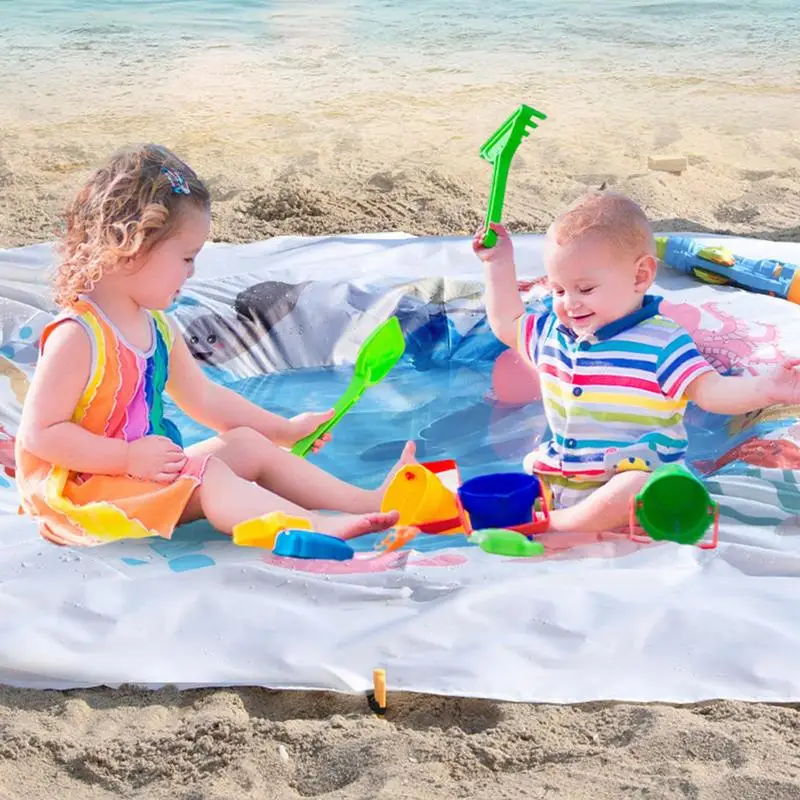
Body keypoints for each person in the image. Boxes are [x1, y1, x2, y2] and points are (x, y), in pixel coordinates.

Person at [16, 144, 414, 547]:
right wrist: (126, 458)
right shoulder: (79, 335)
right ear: (133, 246)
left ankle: (364, 501)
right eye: (187, 257)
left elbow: (204, 397)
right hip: (86, 499)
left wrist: (285, 430)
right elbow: (40, 434)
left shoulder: (157, 325)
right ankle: (312, 525)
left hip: (138, 479)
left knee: (245, 443)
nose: (193, 271)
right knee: (210, 475)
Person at [474, 190, 800, 533]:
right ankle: (559, 521)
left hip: (634, 487)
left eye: (584, 289)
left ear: (640, 277)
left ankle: (564, 527)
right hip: (561, 481)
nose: (569, 303)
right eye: (558, 290)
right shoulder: (553, 335)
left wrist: (767, 388)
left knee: (636, 485)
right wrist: (497, 264)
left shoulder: (660, 342)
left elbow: (711, 391)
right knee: (500, 491)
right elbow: (507, 322)